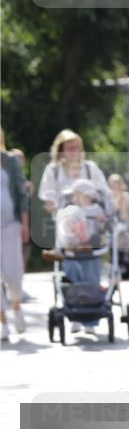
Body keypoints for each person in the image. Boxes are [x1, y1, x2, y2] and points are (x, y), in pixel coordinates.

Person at [57, 178, 108, 335]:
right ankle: (76, 317)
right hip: (73, 252)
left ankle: (90, 321)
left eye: (76, 194)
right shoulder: (70, 210)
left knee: (92, 281)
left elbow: (104, 228)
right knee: (73, 279)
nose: (73, 197)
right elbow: (63, 228)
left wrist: (101, 224)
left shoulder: (97, 210)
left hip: (91, 251)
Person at [1, 130, 29, 341]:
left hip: (10, 225)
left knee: (13, 275)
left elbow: (21, 192)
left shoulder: (9, 161)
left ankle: (16, 306)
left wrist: (24, 222)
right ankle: (3, 323)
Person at [108, 174, 129, 280]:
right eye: (114, 182)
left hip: (126, 223)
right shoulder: (108, 196)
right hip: (113, 224)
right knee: (116, 249)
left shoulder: (126, 196)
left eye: (118, 182)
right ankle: (118, 271)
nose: (116, 185)